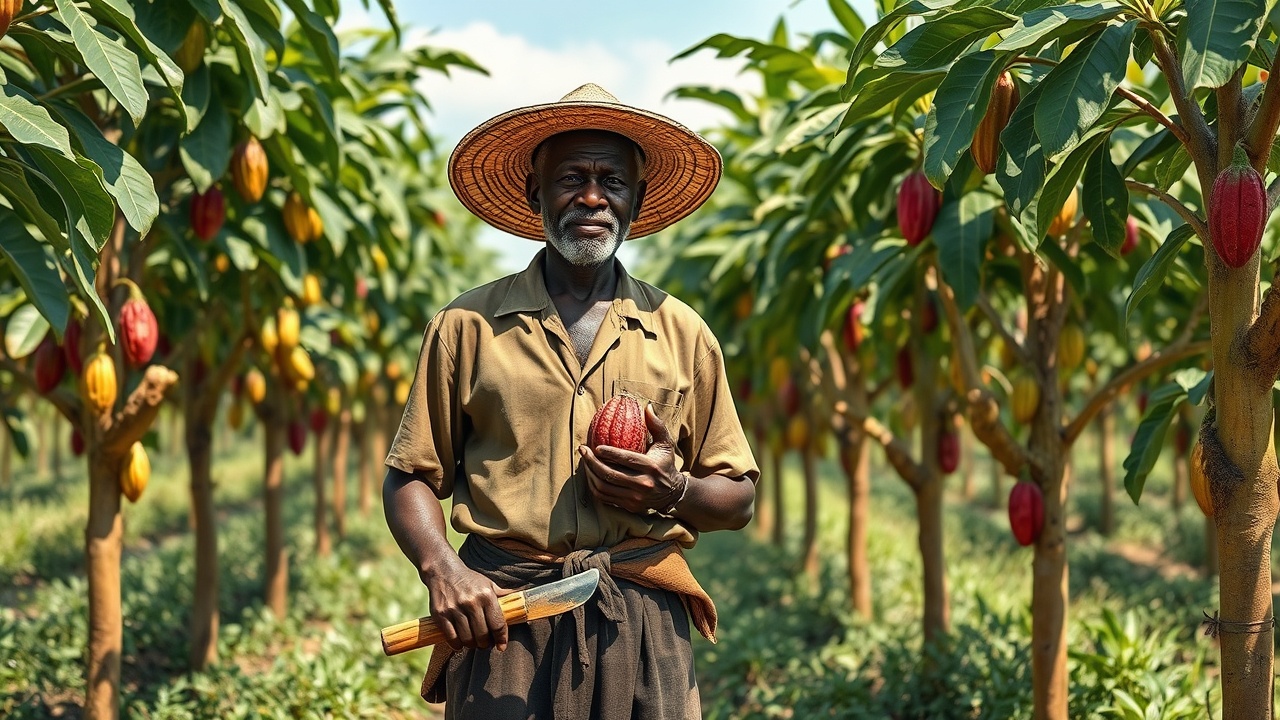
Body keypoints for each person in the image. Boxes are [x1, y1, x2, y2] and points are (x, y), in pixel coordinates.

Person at [383, 83, 759, 720]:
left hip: (640, 621)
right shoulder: (467, 326)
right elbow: (409, 476)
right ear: (536, 194)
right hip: (505, 618)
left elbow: (739, 497)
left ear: (635, 201)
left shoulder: (682, 332)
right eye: (570, 178)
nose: (591, 197)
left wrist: (670, 492)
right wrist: (441, 567)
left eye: (612, 180)